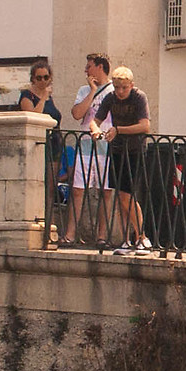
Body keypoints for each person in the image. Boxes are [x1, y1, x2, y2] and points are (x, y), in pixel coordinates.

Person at [92, 64, 153, 253]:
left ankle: (141, 236)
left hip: (135, 151)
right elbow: (96, 120)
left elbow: (145, 126)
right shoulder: (110, 98)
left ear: (131, 85)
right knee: (120, 197)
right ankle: (126, 239)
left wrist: (118, 130)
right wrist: (95, 130)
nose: (120, 91)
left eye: (124, 88)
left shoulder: (139, 97)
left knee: (128, 196)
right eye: (117, 87)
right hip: (117, 150)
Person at [64, 54, 111, 246]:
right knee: (77, 190)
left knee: (105, 192)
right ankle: (70, 234)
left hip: (106, 148)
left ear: (99, 67)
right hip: (85, 147)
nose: (86, 70)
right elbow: (77, 114)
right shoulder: (84, 90)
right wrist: (92, 91)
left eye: (89, 66)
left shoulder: (114, 90)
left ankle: (102, 236)